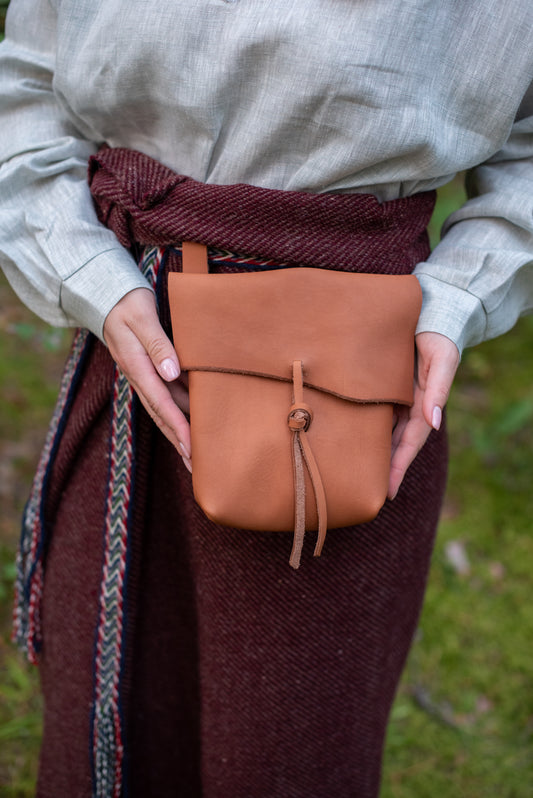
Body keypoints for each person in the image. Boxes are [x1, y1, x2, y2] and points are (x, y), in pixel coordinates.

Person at [1, 1, 532, 796]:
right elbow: (29, 87)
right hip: (136, 348)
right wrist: (91, 280)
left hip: (352, 391)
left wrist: (456, 301)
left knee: (291, 749)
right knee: (124, 707)